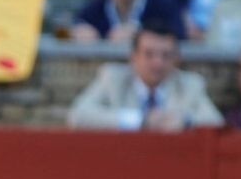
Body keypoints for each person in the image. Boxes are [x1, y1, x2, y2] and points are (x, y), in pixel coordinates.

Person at [67, 23, 224, 131]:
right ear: (133, 57)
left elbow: (215, 122)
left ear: (176, 59)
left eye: (166, 55)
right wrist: (139, 120)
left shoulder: (189, 84)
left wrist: (185, 121)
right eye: (149, 54)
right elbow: (78, 115)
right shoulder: (113, 77)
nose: (157, 62)